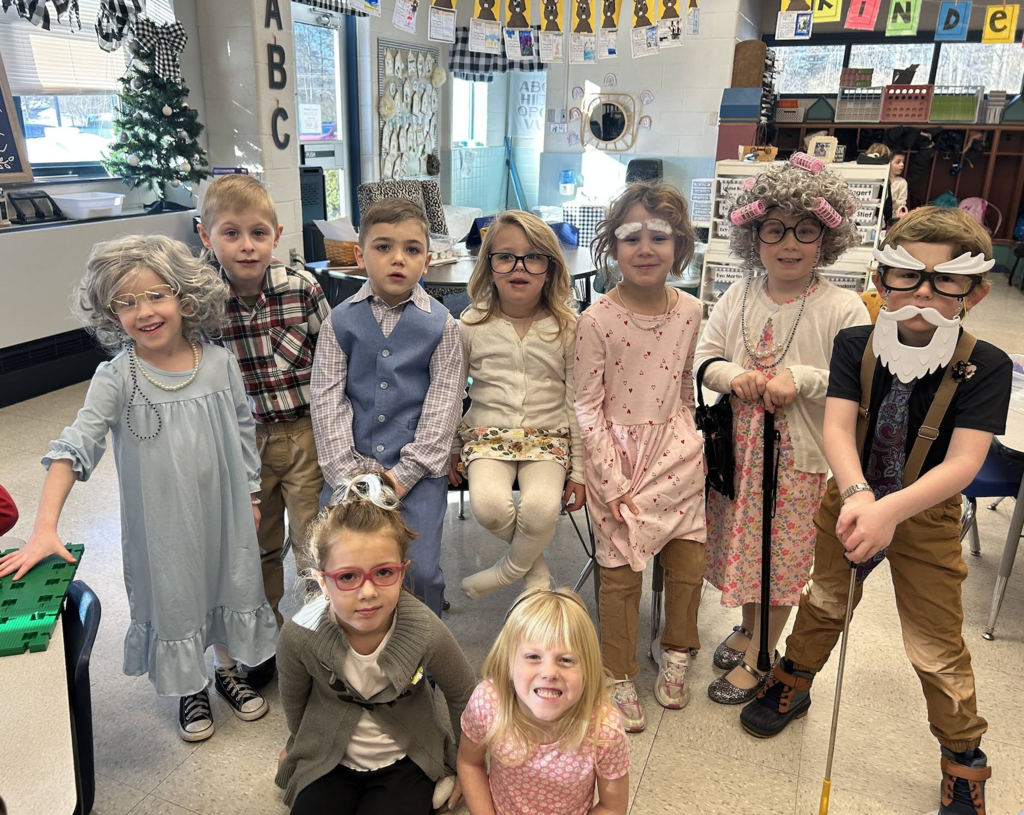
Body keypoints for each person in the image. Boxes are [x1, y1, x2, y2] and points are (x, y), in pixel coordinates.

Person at [740, 207, 1012, 815]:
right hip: (850, 494)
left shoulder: (984, 364)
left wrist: (892, 511)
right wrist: (861, 495)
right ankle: (795, 680)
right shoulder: (856, 342)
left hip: (927, 512)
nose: (922, 292)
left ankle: (962, 756)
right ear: (881, 279)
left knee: (935, 642)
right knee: (826, 599)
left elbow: (964, 463)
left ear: (976, 289)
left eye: (945, 280)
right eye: (907, 276)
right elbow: (838, 424)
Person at [0, 235, 277, 741]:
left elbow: (242, 430)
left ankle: (225, 669)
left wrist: (253, 494)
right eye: (125, 303)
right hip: (162, 524)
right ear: (111, 313)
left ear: (185, 297)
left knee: (229, 581)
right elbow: (73, 448)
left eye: (156, 295)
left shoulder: (218, 362)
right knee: (177, 596)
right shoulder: (115, 377)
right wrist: (44, 528)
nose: (143, 312)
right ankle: (188, 684)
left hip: (225, 510)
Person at [695, 155, 870, 705]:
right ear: (754, 237)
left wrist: (804, 378)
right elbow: (704, 358)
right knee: (747, 550)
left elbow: (857, 382)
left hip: (802, 457)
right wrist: (736, 375)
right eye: (774, 230)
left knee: (781, 556)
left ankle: (763, 656)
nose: (788, 243)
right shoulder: (738, 294)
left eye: (805, 230)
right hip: (739, 451)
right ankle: (753, 629)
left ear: (826, 237)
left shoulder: (844, 308)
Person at [574, 182, 706, 733]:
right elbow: (585, 405)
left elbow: (685, 391)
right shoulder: (597, 319)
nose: (645, 247)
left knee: (689, 563)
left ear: (681, 245)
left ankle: (676, 650)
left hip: (677, 453)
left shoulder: (695, 311)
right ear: (612, 245)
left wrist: (692, 442)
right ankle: (618, 671)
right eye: (632, 236)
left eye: (660, 236)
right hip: (617, 459)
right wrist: (610, 475)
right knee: (621, 573)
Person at [275, 473, 476, 814]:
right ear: (322, 582)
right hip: (328, 759)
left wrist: (465, 764)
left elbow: (464, 693)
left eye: (383, 573)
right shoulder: (299, 634)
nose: (368, 592)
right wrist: (297, 745)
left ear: (403, 570)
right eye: (348, 577)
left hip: (407, 760)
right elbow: (294, 699)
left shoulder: (426, 628)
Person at [198, 174, 330, 687]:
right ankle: (264, 642)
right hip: (243, 443)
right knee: (258, 543)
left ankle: (321, 637)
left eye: (258, 233)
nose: (246, 246)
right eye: (231, 233)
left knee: (314, 541)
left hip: (304, 433)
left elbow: (334, 362)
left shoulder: (303, 287)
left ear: (276, 235)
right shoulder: (203, 303)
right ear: (206, 237)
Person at [310, 198, 464, 617]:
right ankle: (351, 652)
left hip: (415, 476)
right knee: (347, 568)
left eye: (412, 249)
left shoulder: (443, 327)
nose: (398, 258)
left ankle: (422, 662)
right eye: (383, 247)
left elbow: (444, 407)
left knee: (421, 571)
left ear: (427, 261)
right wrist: (350, 478)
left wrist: (401, 477)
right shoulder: (338, 322)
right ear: (360, 255)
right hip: (349, 475)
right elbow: (326, 401)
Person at [449, 211, 586, 600]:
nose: (518, 267)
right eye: (505, 256)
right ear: (488, 267)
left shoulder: (568, 327)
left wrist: (579, 468)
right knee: (489, 507)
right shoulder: (470, 325)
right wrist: (454, 448)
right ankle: (534, 568)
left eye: (533, 257)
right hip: (486, 434)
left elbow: (576, 400)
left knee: (542, 510)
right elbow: (456, 393)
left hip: (549, 436)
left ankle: (507, 571)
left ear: (550, 268)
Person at [458, 588, 630, 815]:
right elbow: (470, 763)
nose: (549, 672)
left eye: (566, 659)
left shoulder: (604, 730)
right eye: (533, 657)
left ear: (588, 670)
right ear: (507, 663)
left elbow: (612, 806)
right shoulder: (487, 704)